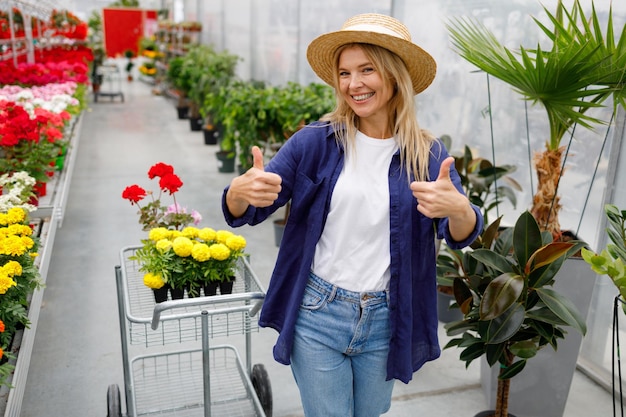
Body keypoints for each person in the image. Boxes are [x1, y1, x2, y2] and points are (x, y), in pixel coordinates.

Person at [222, 13, 483, 417]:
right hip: (318, 312)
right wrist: (239, 193)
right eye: (344, 73)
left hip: (385, 320)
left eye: (367, 70)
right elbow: (252, 206)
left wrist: (461, 208)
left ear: (395, 76)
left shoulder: (426, 154)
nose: (353, 84)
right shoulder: (315, 143)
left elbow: (461, 233)